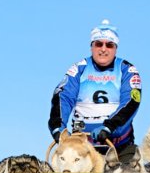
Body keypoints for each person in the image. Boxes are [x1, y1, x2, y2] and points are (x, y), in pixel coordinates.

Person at [48, 19, 142, 163]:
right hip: (83, 148)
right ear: (91, 46)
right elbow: (63, 97)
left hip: (119, 147)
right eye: (98, 44)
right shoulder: (79, 69)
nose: (103, 49)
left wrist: (109, 127)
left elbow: (131, 101)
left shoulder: (127, 70)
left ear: (115, 48)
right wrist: (57, 127)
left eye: (109, 45)